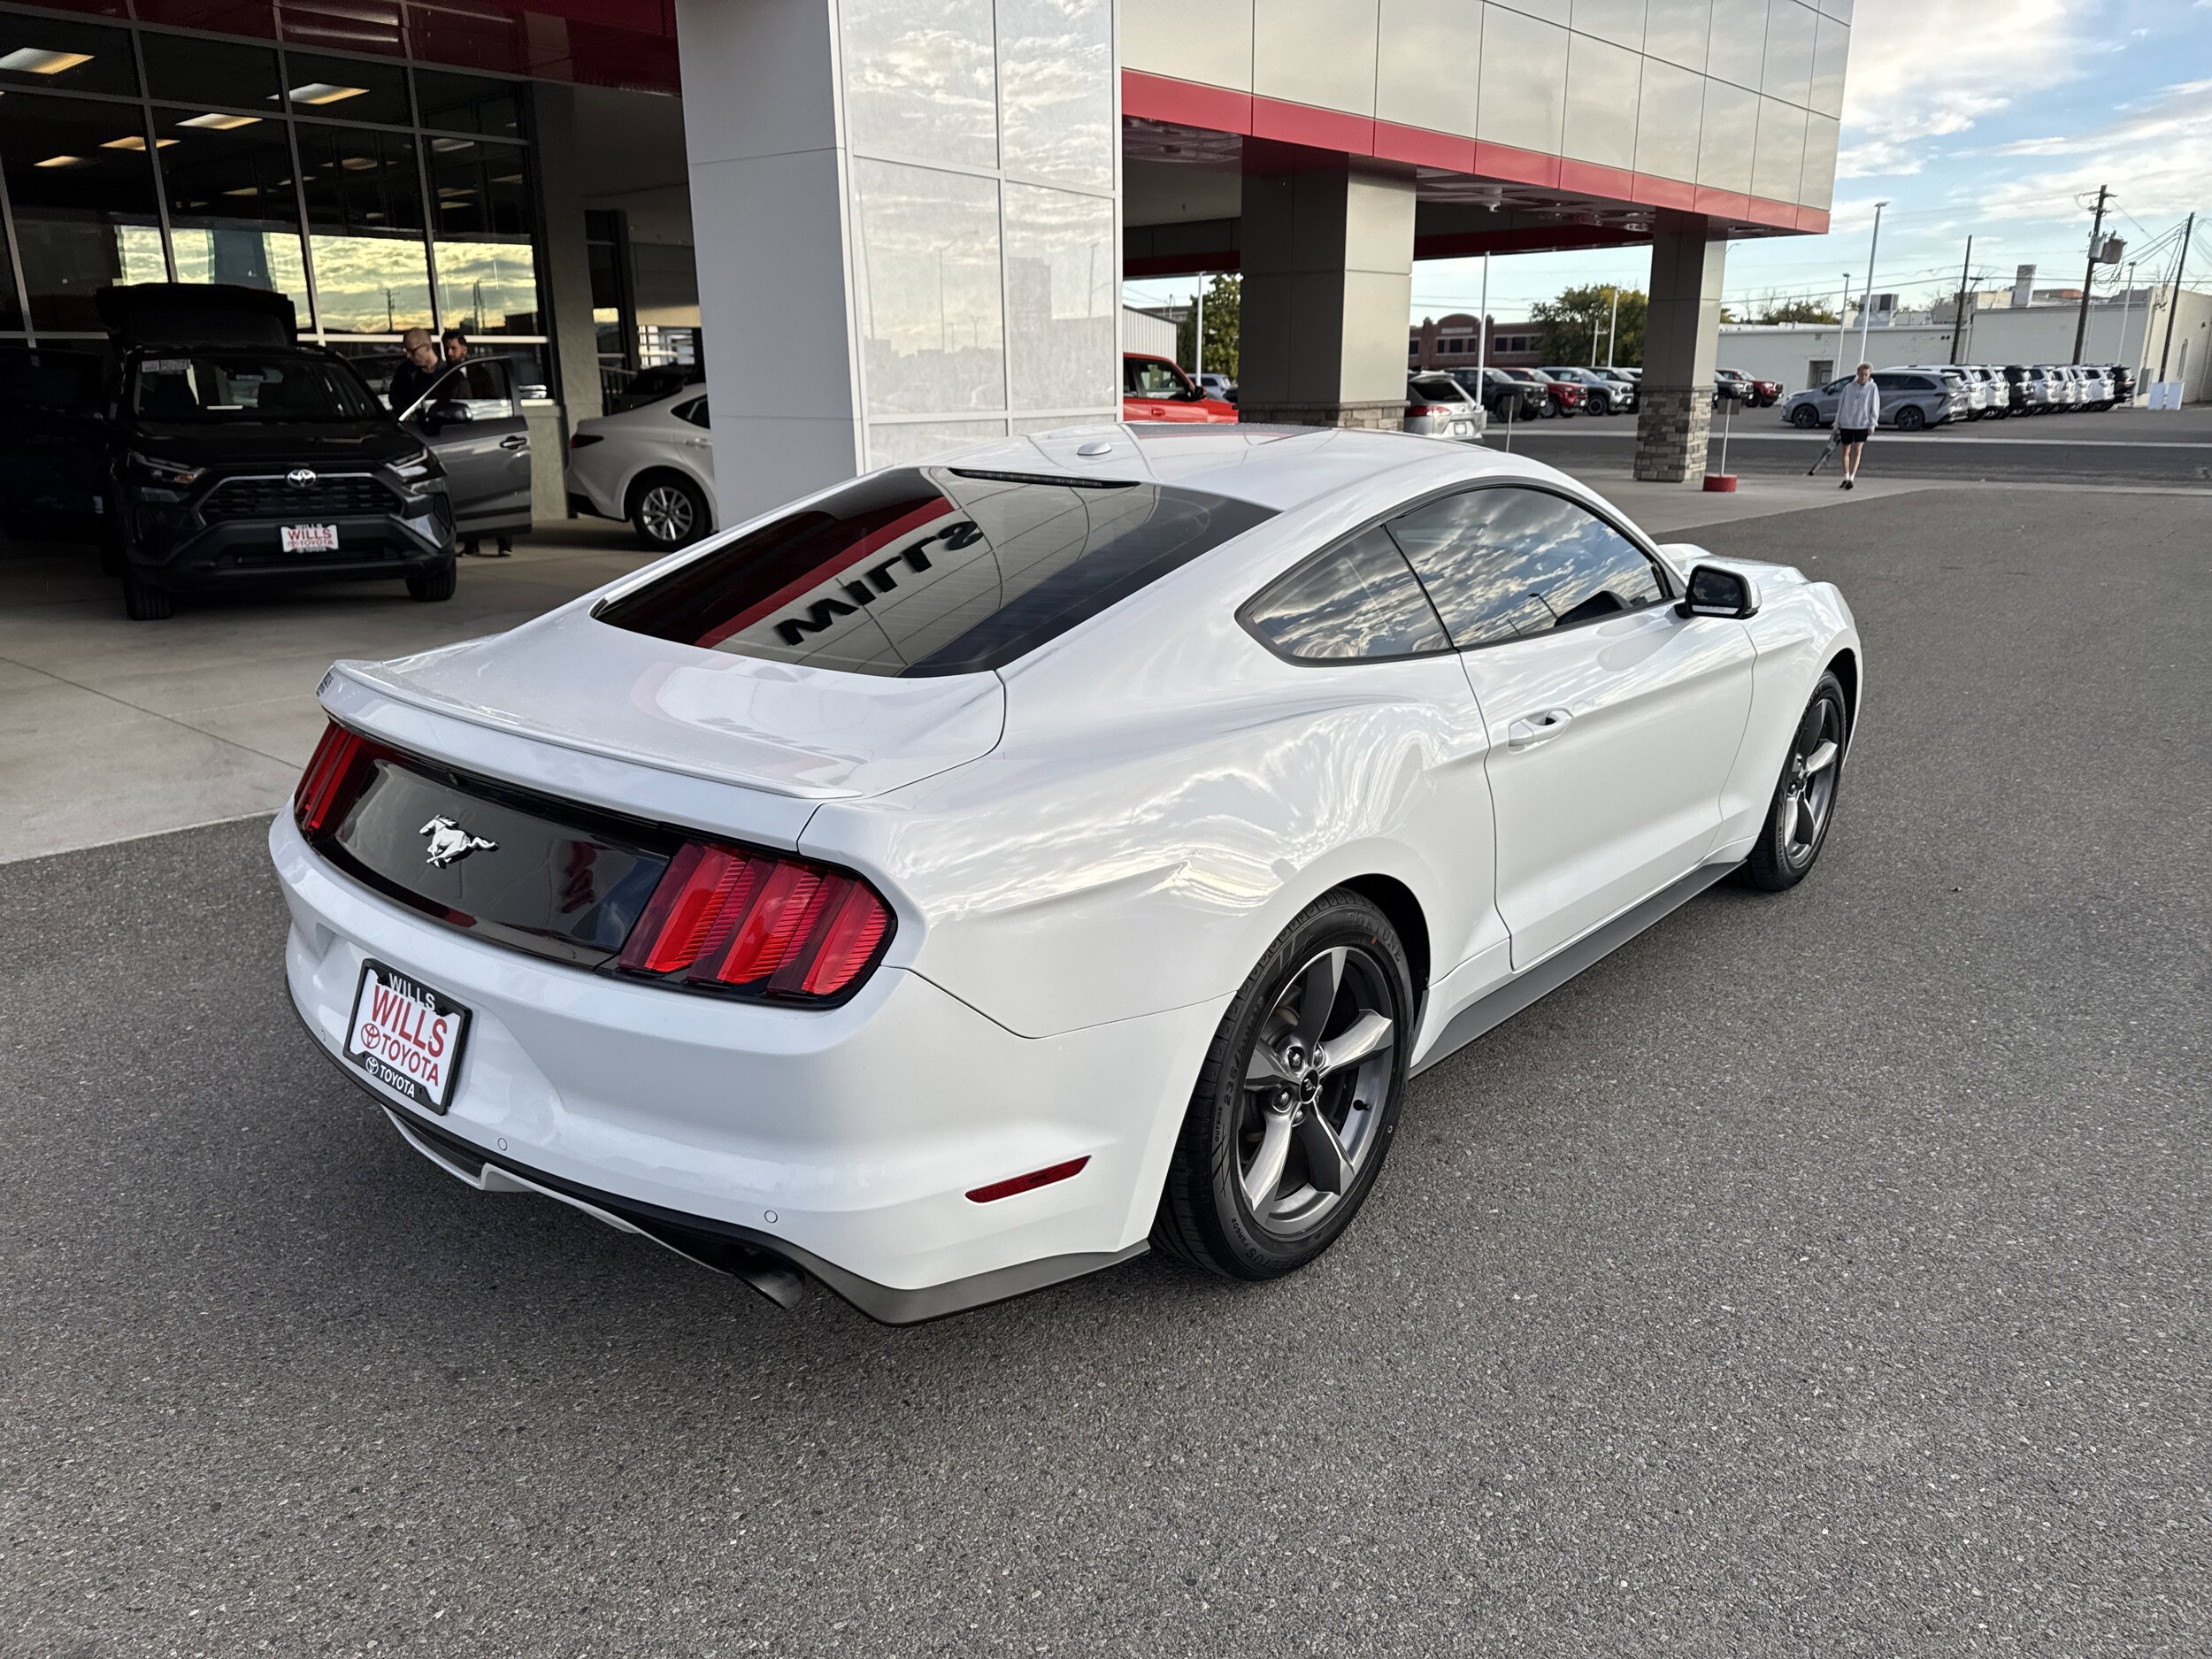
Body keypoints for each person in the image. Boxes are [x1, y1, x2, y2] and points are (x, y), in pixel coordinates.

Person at [1834, 363, 1878, 491]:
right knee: (1845, 450)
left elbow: (1874, 406)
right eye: (1861, 374)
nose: (1863, 377)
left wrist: (1872, 424)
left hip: (1862, 423)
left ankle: (1852, 478)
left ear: (1869, 375)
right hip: (1847, 423)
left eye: (1866, 374)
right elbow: (1841, 406)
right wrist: (1837, 423)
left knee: (1857, 450)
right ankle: (1846, 476)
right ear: (1857, 373)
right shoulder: (1848, 387)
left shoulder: (1872, 388)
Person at [387, 327, 441, 414]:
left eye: (412, 351)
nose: (408, 355)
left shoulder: (450, 374)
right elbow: (394, 398)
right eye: (405, 351)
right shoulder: (404, 372)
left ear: (427, 347)